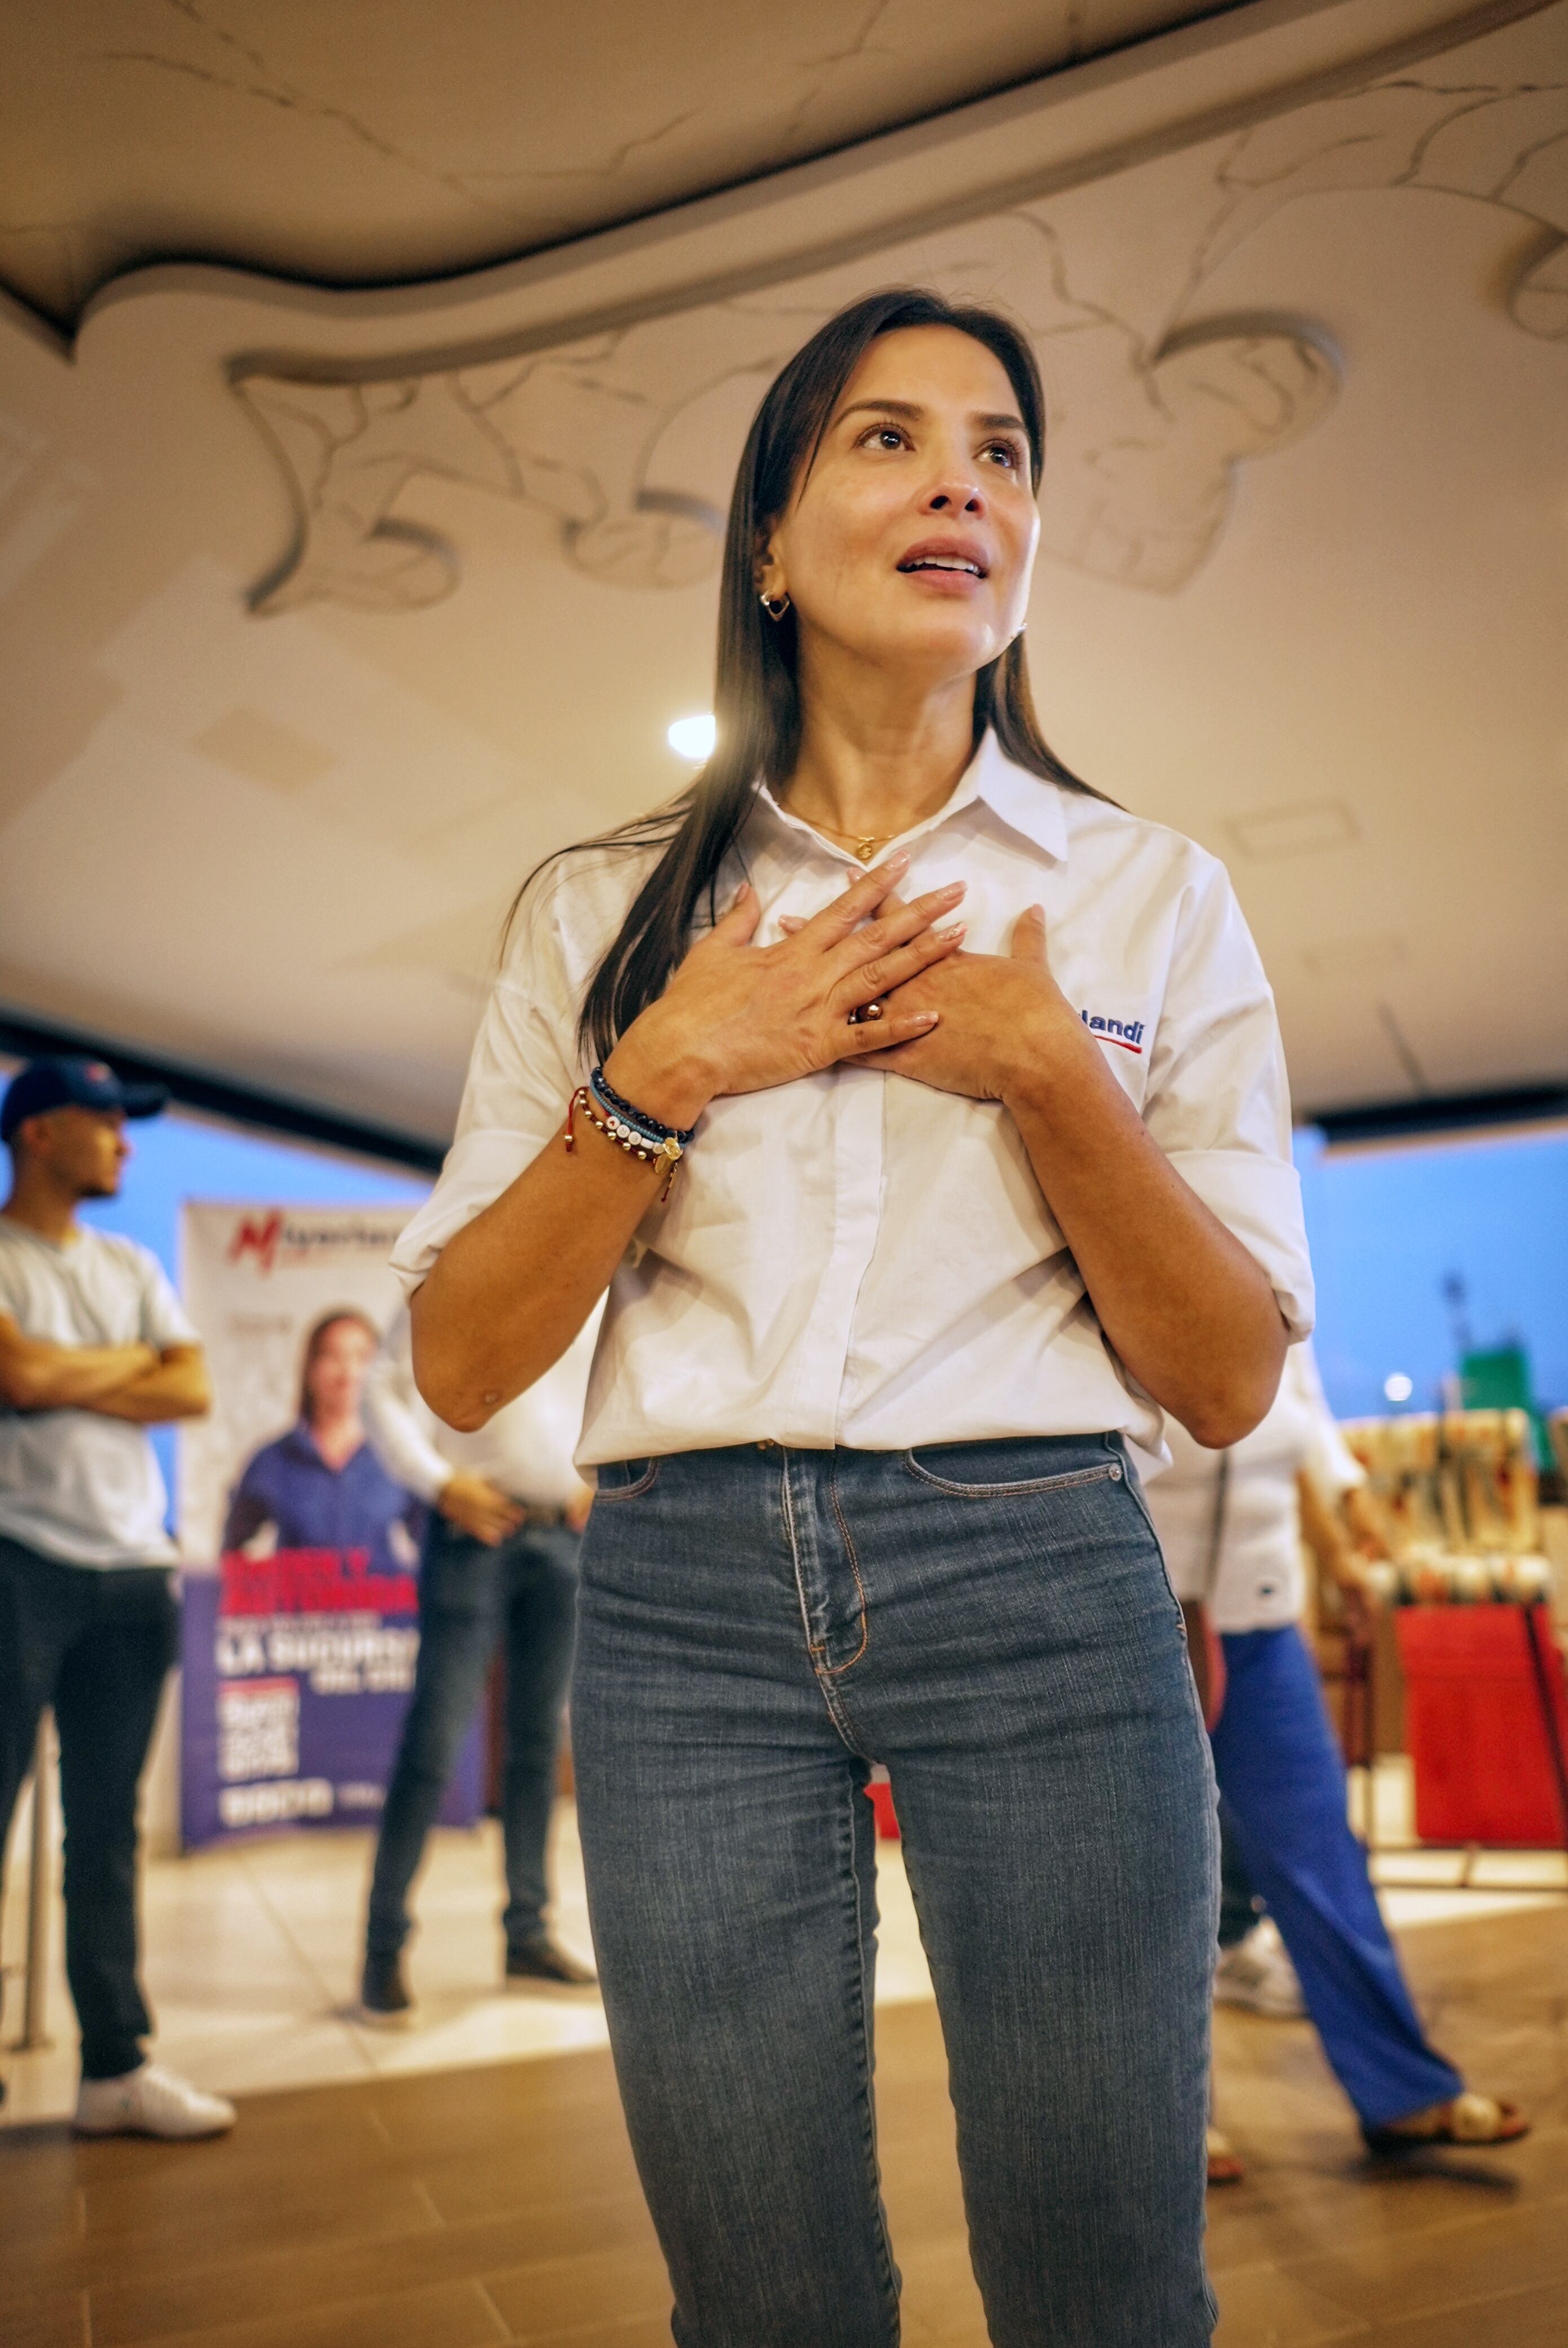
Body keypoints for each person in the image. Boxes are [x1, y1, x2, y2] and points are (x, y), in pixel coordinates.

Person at [393, 289, 1314, 2346]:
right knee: (757, 2289)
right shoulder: (599, 912)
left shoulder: (1148, 898)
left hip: (1039, 1574)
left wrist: (1052, 1072)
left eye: (1000, 454)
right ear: (766, 541)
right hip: (680, 1602)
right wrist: (665, 1069)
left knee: (1102, 2281)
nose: (960, 487)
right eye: (887, 440)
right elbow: (459, 1362)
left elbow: (1224, 1374)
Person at [1144, 1339, 1529, 2180]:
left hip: (1260, 1607)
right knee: (1152, 1878)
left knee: (1322, 1855)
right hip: (1139, 1608)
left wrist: (1344, 1534)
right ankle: (1163, 2124)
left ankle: (1402, 2092)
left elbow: (1298, 1416)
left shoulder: (1277, 1277)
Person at [0, 1056, 234, 2138]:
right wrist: (120, 1366)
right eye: (104, 1121)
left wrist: (62, 1371)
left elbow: (189, 1385)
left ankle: (115, 2069)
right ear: (40, 1132)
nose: (124, 1142)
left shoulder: (129, 1262)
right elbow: (18, 1378)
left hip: (135, 1569)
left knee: (106, 1834)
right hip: (19, 1559)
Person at [355, 1304, 598, 2018]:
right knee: (434, 1745)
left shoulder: (598, 1266)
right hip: (473, 1534)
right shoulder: (460, 1259)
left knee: (537, 1748)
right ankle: (382, 1945)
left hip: (565, 1536)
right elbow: (382, 1387)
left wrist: (609, 1472)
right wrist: (437, 1481)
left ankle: (528, 1933)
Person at [221, 1309, 424, 1574]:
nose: (348, 1372)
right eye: (332, 1356)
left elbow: (429, 1547)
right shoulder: (271, 1460)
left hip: (379, 1597)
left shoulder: (401, 1457)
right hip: (298, 1599)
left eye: (363, 1357)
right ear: (311, 1367)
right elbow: (232, 1555)